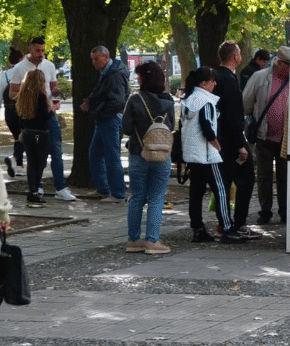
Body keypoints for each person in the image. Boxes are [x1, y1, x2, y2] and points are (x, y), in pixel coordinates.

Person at [181, 66, 247, 244]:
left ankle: (197, 227)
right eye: (212, 81)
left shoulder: (188, 100)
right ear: (204, 84)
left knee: (196, 192)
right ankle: (227, 227)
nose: (215, 84)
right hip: (208, 155)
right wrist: (218, 148)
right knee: (221, 189)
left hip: (192, 154)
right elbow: (208, 129)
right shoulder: (206, 101)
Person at [9, 37, 76, 201]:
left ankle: (60, 187)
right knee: (36, 155)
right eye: (38, 50)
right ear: (30, 49)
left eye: (43, 50)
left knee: (56, 151)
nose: (41, 54)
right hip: (32, 116)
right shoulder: (19, 68)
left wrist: (56, 93)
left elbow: (53, 87)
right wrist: (28, 98)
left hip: (48, 113)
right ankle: (37, 187)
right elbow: (12, 93)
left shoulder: (49, 65)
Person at [123, 62, 174, 254]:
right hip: (161, 154)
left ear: (144, 78)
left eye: (139, 76)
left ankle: (133, 240)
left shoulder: (135, 100)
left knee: (136, 197)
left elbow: (126, 128)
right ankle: (153, 240)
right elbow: (172, 126)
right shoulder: (168, 100)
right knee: (156, 197)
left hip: (138, 153)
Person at [213, 42, 261, 239]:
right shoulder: (230, 80)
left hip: (218, 138)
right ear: (235, 57)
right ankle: (239, 222)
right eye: (239, 54)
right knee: (246, 178)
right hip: (231, 139)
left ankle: (224, 222)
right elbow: (233, 114)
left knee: (223, 183)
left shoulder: (214, 76)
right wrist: (241, 143)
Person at [243, 46, 290, 225]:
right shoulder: (260, 77)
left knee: (285, 175)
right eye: (289, 65)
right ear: (279, 63)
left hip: (287, 138)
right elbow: (246, 103)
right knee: (264, 176)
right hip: (264, 136)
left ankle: (285, 211)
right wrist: (254, 119)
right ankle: (265, 211)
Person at [80, 45, 129, 202]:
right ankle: (103, 189)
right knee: (95, 153)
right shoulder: (108, 71)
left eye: (96, 59)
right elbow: (102, 90)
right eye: (92, 59)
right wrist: (90, 100)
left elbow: (118, 101)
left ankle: (118, 193)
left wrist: (100, 112)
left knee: (111, 156)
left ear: (106, 57)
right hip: (105, 118)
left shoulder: (114, 74)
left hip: (110, 118)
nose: (94, 62)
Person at [16, 70, 55, 207]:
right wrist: (52, 109)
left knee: (31, 162)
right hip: (40, 133)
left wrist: (22, 131)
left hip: (28, 132)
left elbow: (21, 116)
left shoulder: (24, 95)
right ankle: (35, 191)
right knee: (40, 163)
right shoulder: (40, 96)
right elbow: (44, 117)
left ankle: (33, 192)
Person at [3, 47, 25, 177]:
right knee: (25, 136)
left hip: (8, 111)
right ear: (20, 59)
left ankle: (19, 166)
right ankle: (15, 159)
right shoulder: (24, 73)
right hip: (21, 110)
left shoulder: (4, 75)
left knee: (18, 137)